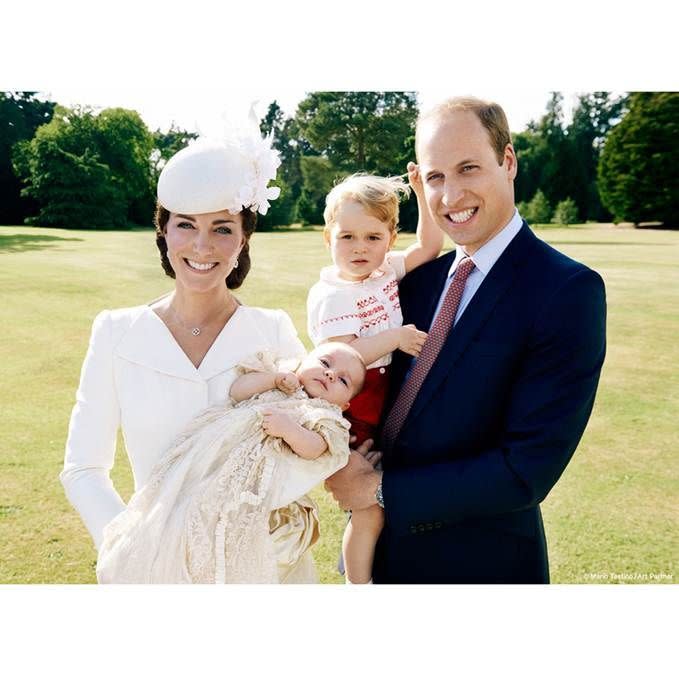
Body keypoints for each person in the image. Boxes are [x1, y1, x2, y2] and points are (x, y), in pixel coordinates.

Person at [325, 96, 607, 584]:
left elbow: (526, 469)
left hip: (478, 565)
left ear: (509, 161)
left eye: (468, 169)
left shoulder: (566, 291)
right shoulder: (414, 282)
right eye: (435, 177)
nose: (450, 195)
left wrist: (378, 490)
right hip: (380, 558)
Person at [61, 118, 324, 583]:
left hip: (266, 575)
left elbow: (311, 450)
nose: (203, 246)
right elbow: (83, 467)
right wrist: (131, 552)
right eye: (186, 225)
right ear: (163, 231)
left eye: (222, 229)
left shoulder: (274, 331)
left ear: (243, 238)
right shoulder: (116, 333)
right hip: (153, 575)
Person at [96, 343, 367, 583]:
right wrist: (272, 379)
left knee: (228, 518)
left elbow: (317, 448)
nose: (331, 373)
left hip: (251, 475)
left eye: (343, 380)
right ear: (304, 360)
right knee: (185, 501)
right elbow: (238, 391)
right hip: (215, 452)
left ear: (344, 405)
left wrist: (290, 431)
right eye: (325, 363)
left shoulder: (325, 415)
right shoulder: (280, 375)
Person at [306, 172, 443, 584]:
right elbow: (342, 362)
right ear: (328, 238)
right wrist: (395, 337)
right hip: (353, 405)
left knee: (391, 495)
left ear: (389, 238)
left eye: (373, 237)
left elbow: (431, 246)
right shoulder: (333, 295)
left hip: (384, 395)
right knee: (368, 507)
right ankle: (358, 583)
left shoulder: (385, 271)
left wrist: (422, 193)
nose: (360, 248)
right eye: (347, 237)